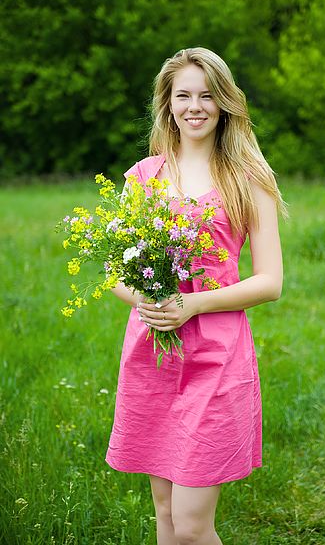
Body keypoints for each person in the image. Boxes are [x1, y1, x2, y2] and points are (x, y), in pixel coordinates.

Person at [105, 47, 286, 545]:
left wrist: (195, 304)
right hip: (153, 355)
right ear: (167, 103)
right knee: (164, 514)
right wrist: (143, 300)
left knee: (189, 526)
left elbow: (270, 281)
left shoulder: (250, 180)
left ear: (225, 103)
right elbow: (118, 272)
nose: (195, 106)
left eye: (207, 95)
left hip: (216, 359)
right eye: (183, 95)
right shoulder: (144, 177)